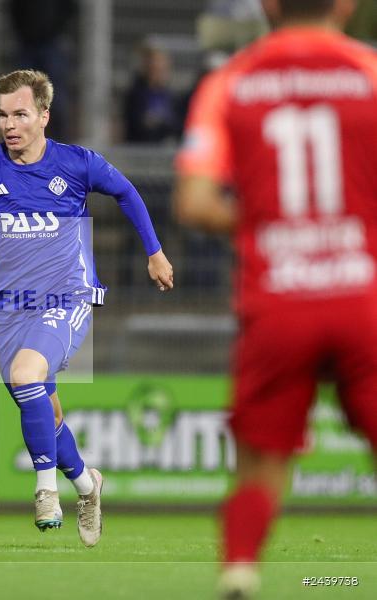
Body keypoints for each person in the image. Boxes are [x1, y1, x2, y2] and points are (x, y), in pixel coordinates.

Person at [174, 1, 376, 597]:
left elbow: (194, 203)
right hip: (362, 297)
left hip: (278, 301)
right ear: (346, 4)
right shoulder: (369, 73)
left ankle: (240, 570)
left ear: (267, 4)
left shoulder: (229, 83)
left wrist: (271, 223)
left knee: (261, 460)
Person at [0, 70, 173, 544]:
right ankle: (86, 483)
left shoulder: (77, 164)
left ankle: (45, 490)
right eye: (2, 114)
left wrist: (154, 251)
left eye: (20, 114)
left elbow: (127, 192)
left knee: (25, 375)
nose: (9, 124)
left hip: (68, 295)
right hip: (7, 310)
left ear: (43, 115)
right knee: (45, 407)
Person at [9, 0, 75, 142]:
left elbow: (69, 9)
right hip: (27, 44)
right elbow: (15, 9)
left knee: (56, 100)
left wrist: (55, 29)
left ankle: (61, 144)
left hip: (52, 43)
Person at [123, 43, 181, 144]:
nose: (158, 71)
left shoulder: (170, 96)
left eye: (162, 67)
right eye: (154, 66)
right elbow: (139, 125)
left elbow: (176, 125)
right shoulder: (136, 94)